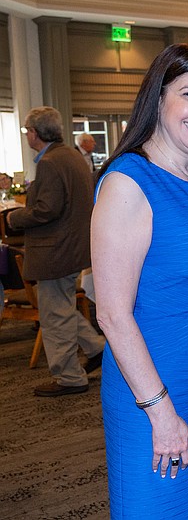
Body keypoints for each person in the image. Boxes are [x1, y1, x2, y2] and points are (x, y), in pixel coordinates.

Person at [90, 44, 188, 517]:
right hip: (155, 399)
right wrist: (159, 412)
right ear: (158, 99)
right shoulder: (129, 182)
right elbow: (112, 314)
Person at [10, 106, 104, 397]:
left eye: (27, 131)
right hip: (71, 248)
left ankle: (69, 377)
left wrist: (13, 218)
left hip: (55, 250)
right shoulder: (71, 156)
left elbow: (46, 210)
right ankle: (98, 348)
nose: (27, 135)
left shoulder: (51, 161)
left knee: (54, 317)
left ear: (34, 133)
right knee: (60, 308)